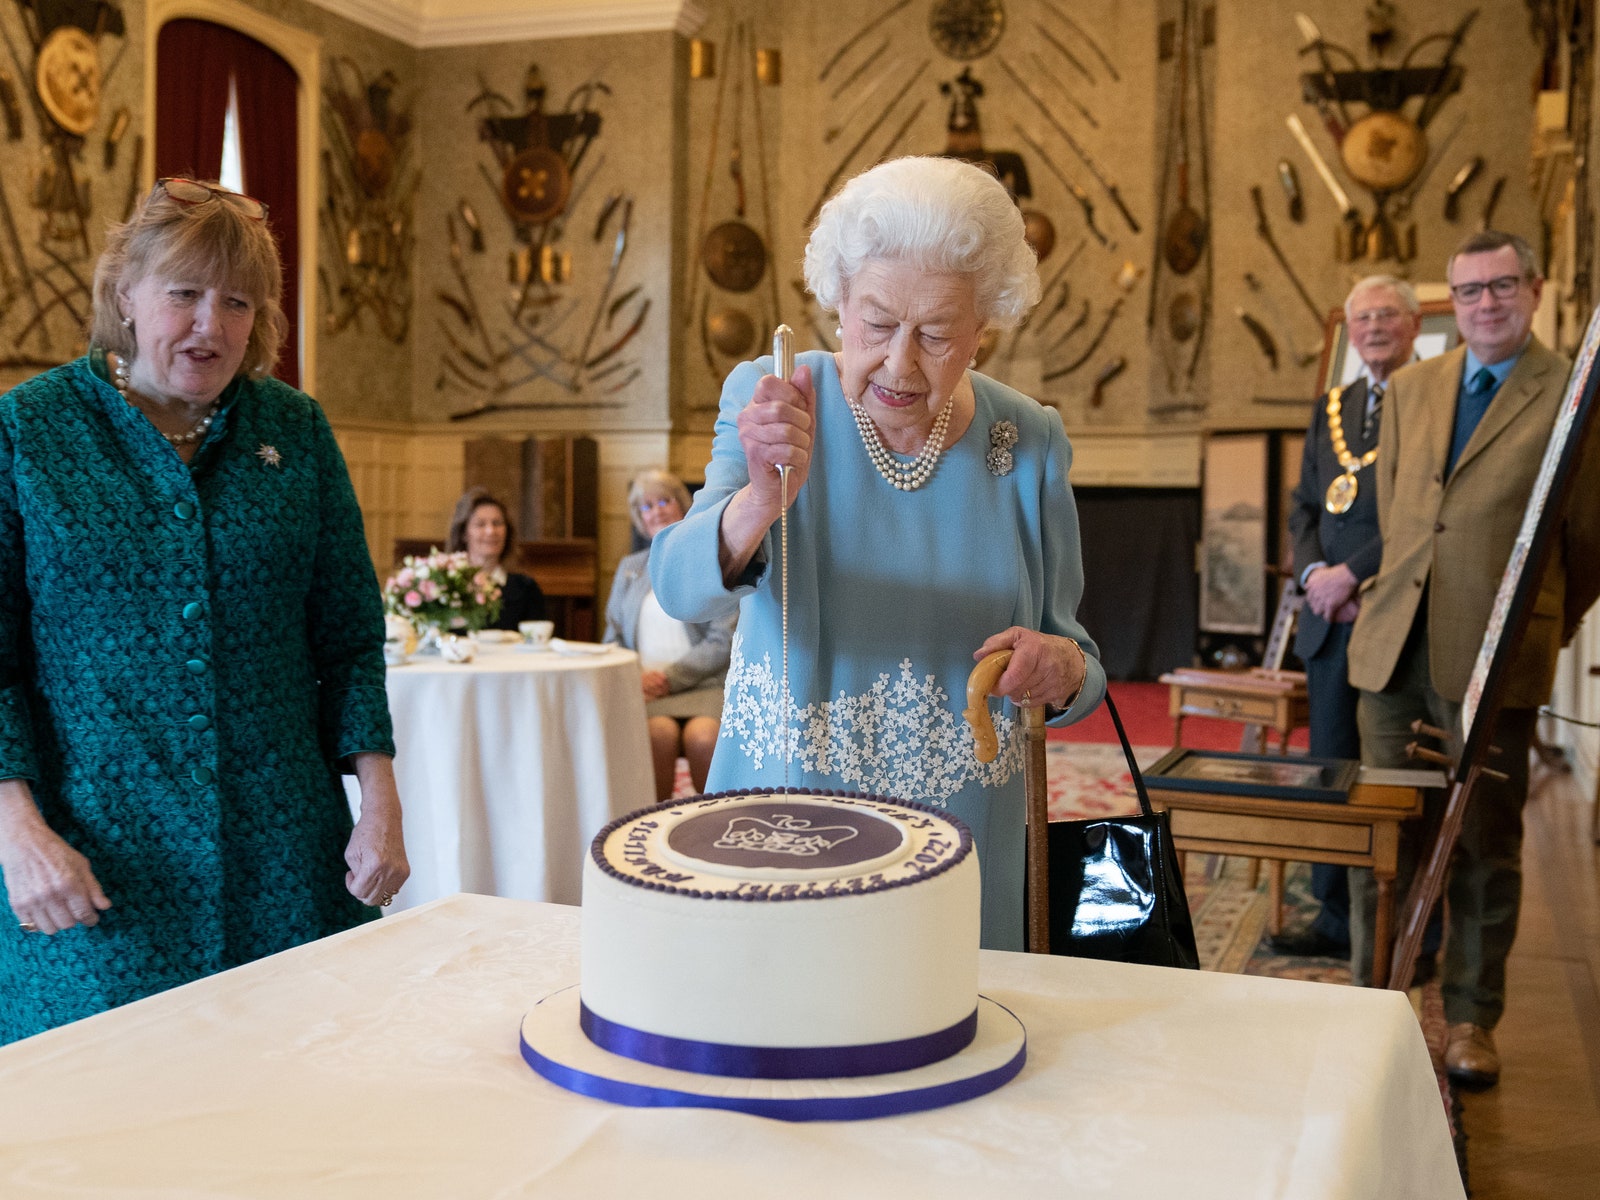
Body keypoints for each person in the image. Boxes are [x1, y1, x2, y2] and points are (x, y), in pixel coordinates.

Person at [650, 156, 1108, 951]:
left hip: (963, 838)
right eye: (876, 323)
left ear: (982, 330)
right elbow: (679, 589)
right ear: (835, 303)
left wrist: (1060, 668)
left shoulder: (1027, 439)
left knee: (952, 1051)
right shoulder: (773, 395)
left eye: (935, 335)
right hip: (785, 825)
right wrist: (759, 499)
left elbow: (1080, 661)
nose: (899, 362)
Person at [0, 178, 409, 1045]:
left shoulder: (294, 430)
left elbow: (346, 635)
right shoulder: (28, 432)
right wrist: (18, 835)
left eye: (237, 302)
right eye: (183, 293)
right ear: (126, 295)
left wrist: (380, 804)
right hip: (96, 858)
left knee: (288, 1090)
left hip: (284, 855)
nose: (210, 326)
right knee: (107, 1118)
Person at [1347, 230, 1600, 1088]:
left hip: (1493, 658)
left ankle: (1469, 1017)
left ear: (1532, 289)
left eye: (1500, 287)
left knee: (1486, 842)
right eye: (1467, 292)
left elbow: (1591, 536)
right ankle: (1376, 998)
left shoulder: (1570, 391)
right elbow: (1399, 512)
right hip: (1393, 650)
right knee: (1384, 832)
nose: (1484, 304)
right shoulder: (1414, 385)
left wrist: (1545, 626)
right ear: (1447, 304)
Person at [1276, 276, 1421, 960]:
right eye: (1362, 318)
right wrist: (1313, 576)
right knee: (1330, 767)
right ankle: (1334, 921)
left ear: (1414, 323)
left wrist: (1352, 574)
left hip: (1395, 616)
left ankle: (1406, 927)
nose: (1373, 327)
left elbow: (1423, 513)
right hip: (1329, 620)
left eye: (1387, 314)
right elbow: (1304, 505)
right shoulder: (1336, 405)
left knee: (1392, 776)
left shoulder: (1433, 404)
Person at [604, 470, 735, 802]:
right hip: (647, 691)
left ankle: (719, 827)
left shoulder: (709, 560)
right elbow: (612, 638)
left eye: (664, 501)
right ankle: (651, 832)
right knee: (655, 736)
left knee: (703, 738)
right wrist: (638, 679)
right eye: (647, 506)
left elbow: (722, 640)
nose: (657, 511)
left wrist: (667, 678)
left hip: (703, 684)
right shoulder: (630, 568)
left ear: (682, 506)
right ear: (638, 518)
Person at [445, 486, 548, 630]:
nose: (491, 531)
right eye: (480, 524)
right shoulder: (446, 586)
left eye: (497, 523)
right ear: (464, 534)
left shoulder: (526, 588)